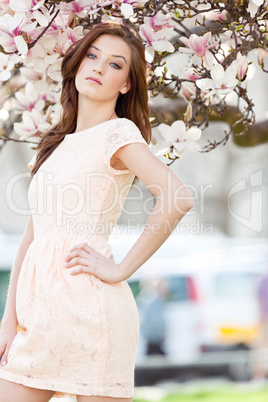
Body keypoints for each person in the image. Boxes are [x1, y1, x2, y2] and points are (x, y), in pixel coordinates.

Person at [0, 21, 193, 402]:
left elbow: (179, 197)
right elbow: (33, 236)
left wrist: (121, 269)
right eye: (92, 55)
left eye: (115, 64)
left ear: (126, 85)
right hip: (36, 322)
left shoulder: (118, 134)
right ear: (78, 63)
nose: (99, 68)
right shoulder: (56, 142)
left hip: (93, 315)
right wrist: (10, 320)